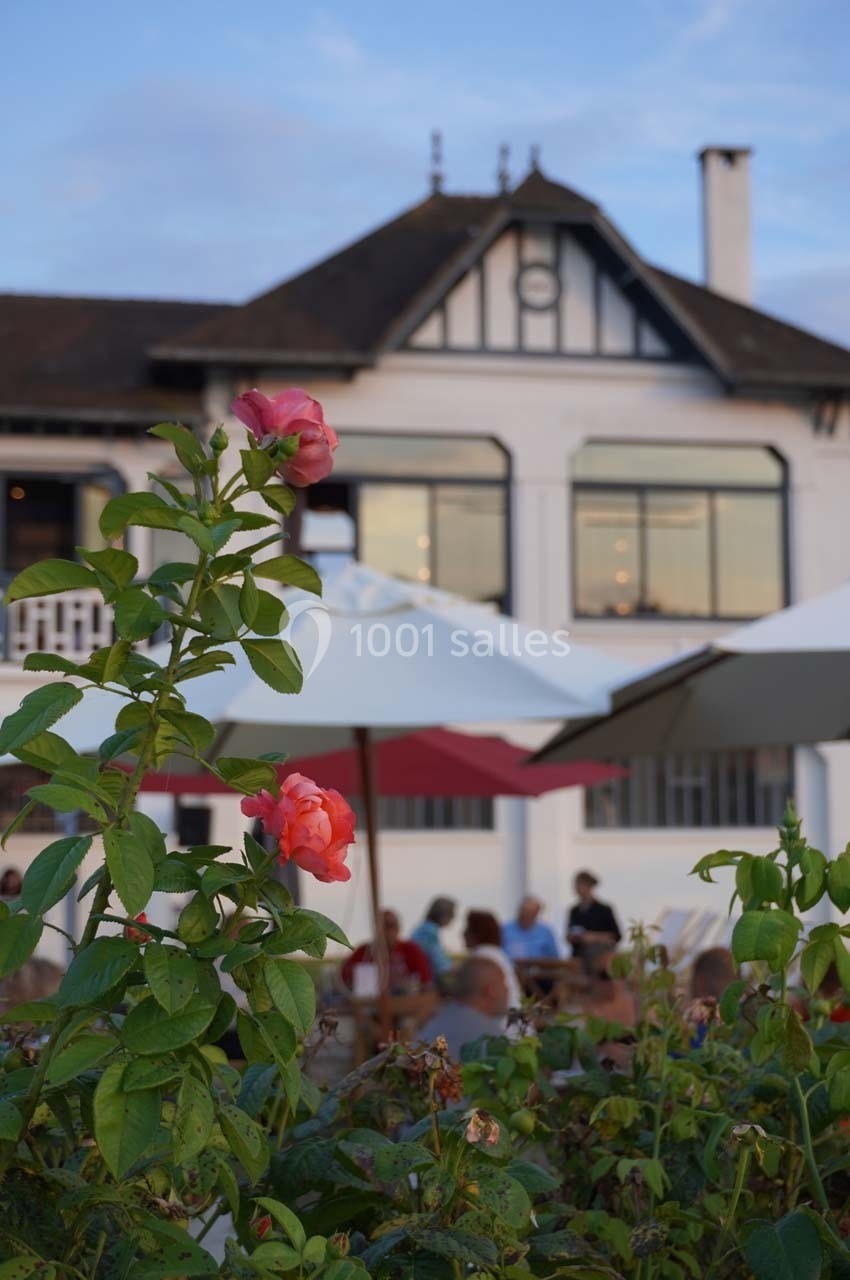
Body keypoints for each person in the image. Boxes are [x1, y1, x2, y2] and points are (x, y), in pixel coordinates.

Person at [418, 955, 508, 1058]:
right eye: (503, 982)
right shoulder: (491, 1037)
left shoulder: (435, 1022)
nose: (507, 989)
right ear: (491, 991)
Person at [341, 909, 432, 993]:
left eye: (391, 925)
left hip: (405, 1005)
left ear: (398, 928)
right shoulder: (364, 952)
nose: (387, 930)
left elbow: (426, 983)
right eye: (383, 926)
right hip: (370, 1006)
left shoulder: (411, 950)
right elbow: (342, 981)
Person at [463, 910, 523, 1013]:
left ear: (476, 933)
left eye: (467, 929)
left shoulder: (483, 957)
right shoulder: (496, 953)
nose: (463, 933)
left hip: (498, 1023)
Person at [567, 871, 621, 973]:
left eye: (580, 884)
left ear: (589, 886)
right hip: (579, 956)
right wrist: (575, 937)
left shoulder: (604, 910)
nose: (577, 888)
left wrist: (593, 937)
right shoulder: (574, 911)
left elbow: (617, 936)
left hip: (599, 957)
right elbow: (568, 935)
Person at [411, 896, 456, 980]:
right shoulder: (429, 931)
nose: (453, 917)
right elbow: (440, 965)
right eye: (451, 914)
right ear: (442, 914)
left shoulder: (424, 928)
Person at [502, 896, 559, 961]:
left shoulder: (546, 932)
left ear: (536, 914)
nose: (526, 915)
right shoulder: (504, 929)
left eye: (530, 913)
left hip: (539, 969)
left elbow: (555, 958)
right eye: (524, 911)